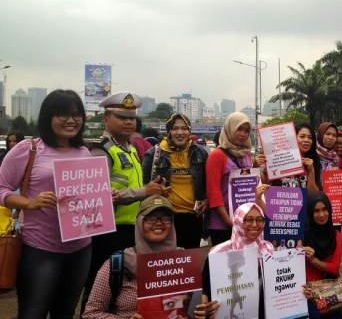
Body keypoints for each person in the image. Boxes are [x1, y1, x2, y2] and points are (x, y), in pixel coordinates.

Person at [0, 89, 92, 318]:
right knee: (33, 313)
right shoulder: (29, 149)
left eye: (76, 114)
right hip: (40, 249)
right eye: (62, 114)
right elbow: (2, 189)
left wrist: (101, 196)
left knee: (65, 312)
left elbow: (88, 192)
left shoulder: (84, 152)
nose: (71, 120)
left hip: (81, 247)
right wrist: (30, 203)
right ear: (47, 117)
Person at [83, 91, 168, 313]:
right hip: (107, 232)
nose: (128, 122)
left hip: (131, 229)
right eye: (121, 117)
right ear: (106, 120)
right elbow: (98, 197)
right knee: (99, 287)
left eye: (131, 117)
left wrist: (154, 192)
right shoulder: (100, 152)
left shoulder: (129, 149)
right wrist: (143, 192)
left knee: (123, 289)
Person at [84, 195, 218, 319]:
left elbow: (194, 306)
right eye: (151, 217)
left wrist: (203, 310)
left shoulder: (183, 260)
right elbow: (91, 313)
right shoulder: (118, 263)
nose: (159, 222)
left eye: (165, 217)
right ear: (139, 222)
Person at [142, 113, 209, 249]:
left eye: (184, 128)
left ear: (189, 130)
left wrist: (207, 200)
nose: (180, 133)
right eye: (175, 128)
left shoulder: (200, 153)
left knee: (190, 261)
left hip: (193, 217)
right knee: (169, 262)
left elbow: (208, 183)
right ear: (169, 131)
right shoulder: (154, 153)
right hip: (165, 218)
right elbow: (143, 184)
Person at [202, 202, 274, 318]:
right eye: (248, 220)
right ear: (238, 221)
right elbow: (206, 288)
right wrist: (206, 307)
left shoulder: (268, 249)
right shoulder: (219, 253)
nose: (255, 225)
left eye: (260, 220)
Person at [205, 112, 264, 246]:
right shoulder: (217, 156)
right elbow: (214, 193)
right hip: (222, 224)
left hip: (245, 222)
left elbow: (248, 183)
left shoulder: (246, 154)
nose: (243, 134)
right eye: (239, 129)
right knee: (226, 265)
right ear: (229, 129)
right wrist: (229, 222)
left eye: (247, 130)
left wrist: (255, 167)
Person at [301, 192, 342, 319]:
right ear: (309, 213)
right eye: (316, 211)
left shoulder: (335, 235)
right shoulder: (301, 235)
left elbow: (334, 268)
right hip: (304, 291)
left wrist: (312, 260)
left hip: (327, 290)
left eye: (325, 209)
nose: (321, 215)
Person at [267, 123, 321, 193]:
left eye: (310, 137)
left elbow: (313, 195)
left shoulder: (314, 162)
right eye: (302, 136)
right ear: (293, 138)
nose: (306, 140)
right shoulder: (279, 160)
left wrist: (311, 171)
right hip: (280, 202)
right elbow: (265, 185)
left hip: (304, 203)